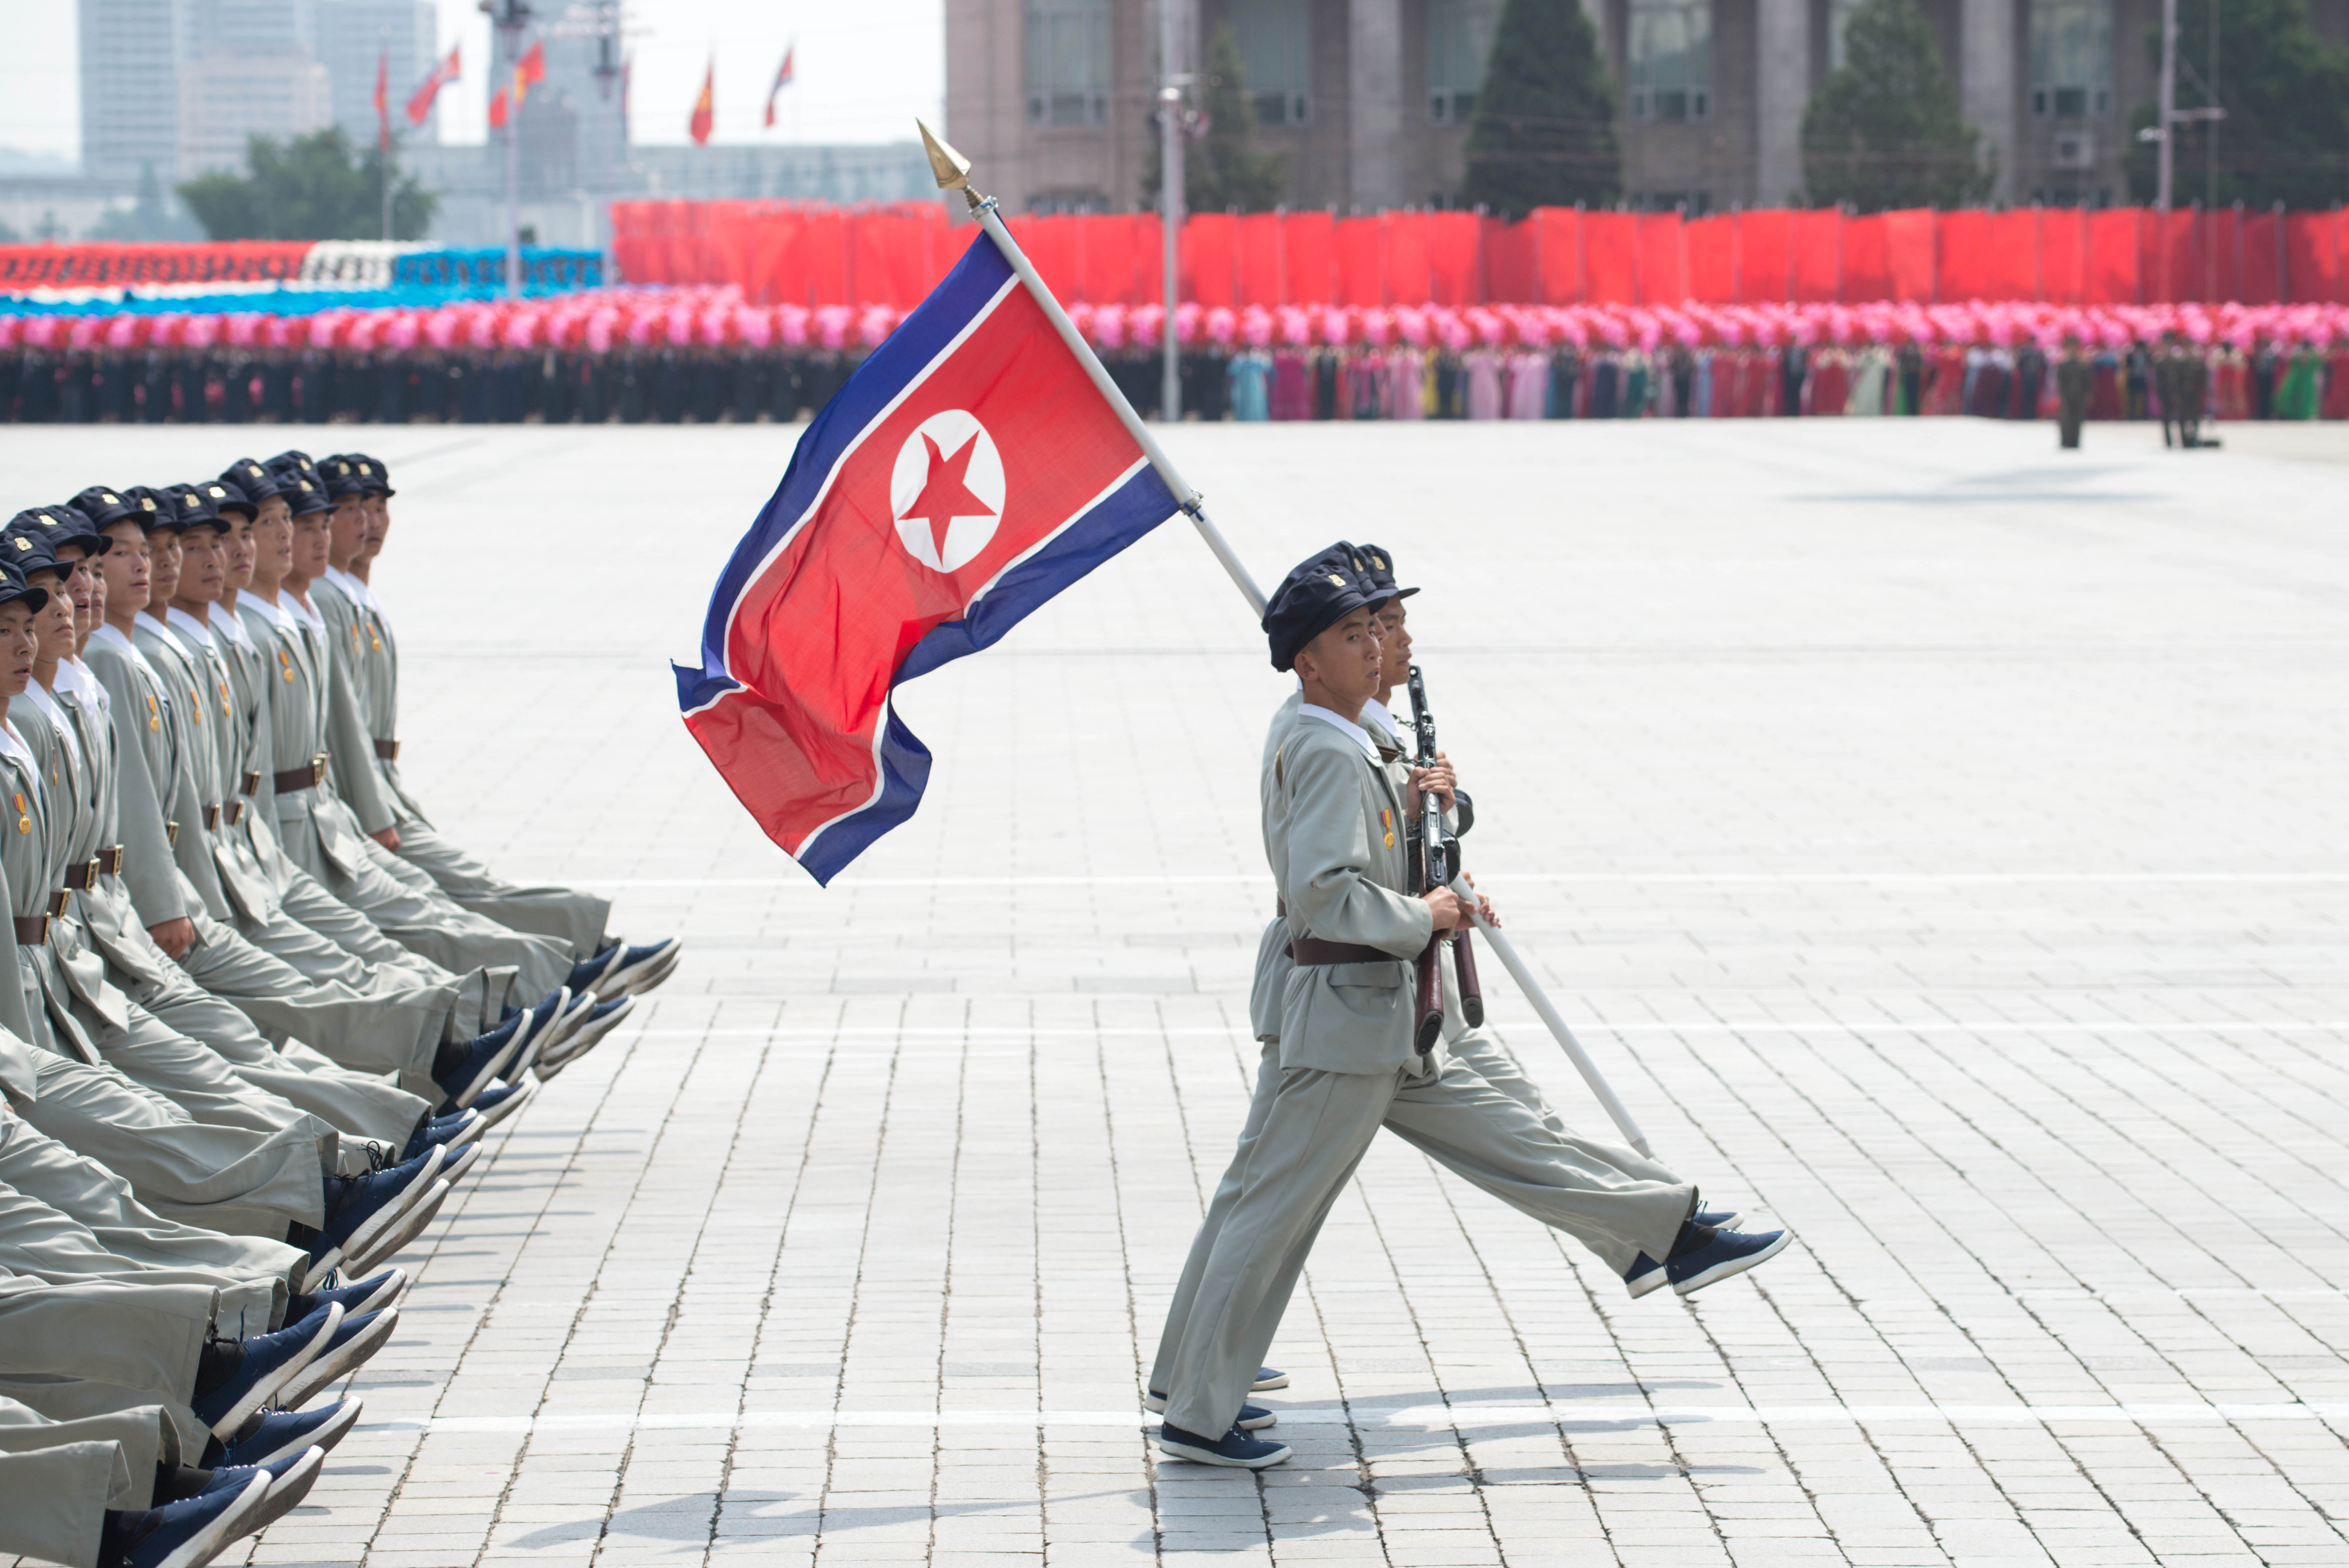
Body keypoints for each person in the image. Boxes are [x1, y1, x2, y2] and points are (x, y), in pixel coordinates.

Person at [1150, 546, 1790, 1469]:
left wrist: (1431, 836)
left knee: (1510, 1128)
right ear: (1307, 659)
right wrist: (1427, 913)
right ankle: (1198, 1414)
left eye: (1376, 628)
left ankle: (1668, 1229)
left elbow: (1370, 858)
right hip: (1348, 1015)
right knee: (1273, 1205)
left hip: (1386, 1009)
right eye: (1352, 632)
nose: (1376, 646)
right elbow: (1326, 892)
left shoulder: (1345, 731)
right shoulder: (1326, 746)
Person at [2055, 337, 2091, 450]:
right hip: (2067, 395)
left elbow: (2088, 381)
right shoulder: (2063, 365)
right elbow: (2059, 381)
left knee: (2078, 419)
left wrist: (2089, 394)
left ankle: (2075, 441)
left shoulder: (2083, 364)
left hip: (2079, 395)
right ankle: (2066, 441)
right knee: (2066, 419)